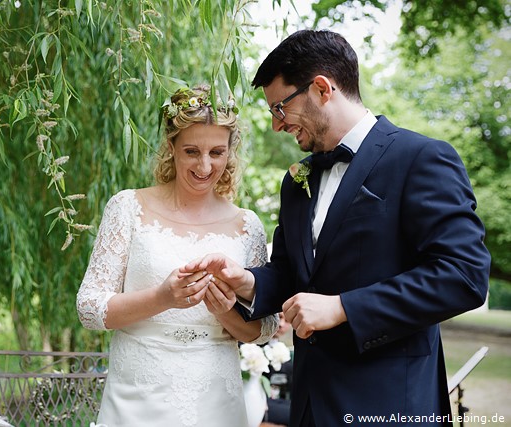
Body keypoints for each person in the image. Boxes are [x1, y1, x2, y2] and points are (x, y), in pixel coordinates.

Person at [182, 30, 491, 426]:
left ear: (322, 88)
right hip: (311, 404)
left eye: (280, 108)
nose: (277, 125)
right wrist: (247, 282)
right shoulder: (297, 181)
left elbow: (463, 276)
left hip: (389, 403)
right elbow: (292, 274)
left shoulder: (421, 158)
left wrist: (343, 307)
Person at [76, 84, 279, 427]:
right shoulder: (128, 207)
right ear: (171, 147)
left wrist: (226, 312)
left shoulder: (248, 225)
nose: (204, 165)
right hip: (138, 393)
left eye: (217, 152)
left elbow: (264, 329)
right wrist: (162, 297)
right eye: (191, 151)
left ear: (231, 151)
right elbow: (89, 308)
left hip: (216, 396)